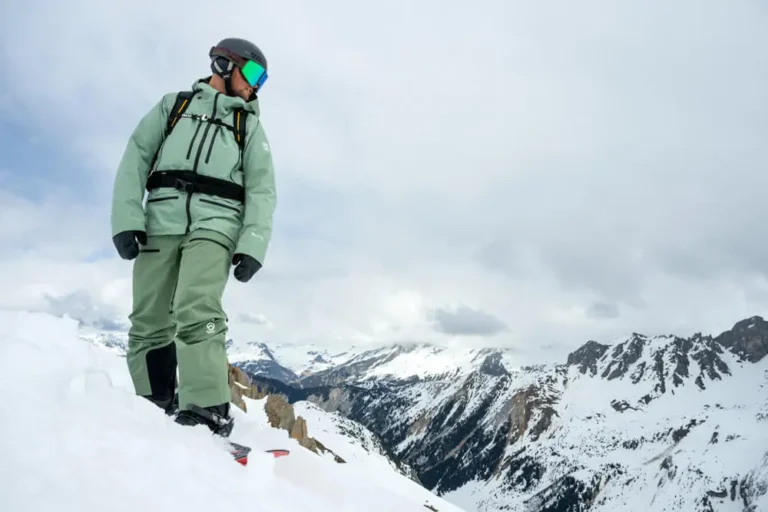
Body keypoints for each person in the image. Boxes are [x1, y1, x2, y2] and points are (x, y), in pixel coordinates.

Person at [110, 37, 276, 437]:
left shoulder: (249, 126)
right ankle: (153, 401)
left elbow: (262, 189)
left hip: (217, 225)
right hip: (160, 221)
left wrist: (252, 243)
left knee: (196, 308)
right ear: (224, 65)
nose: (256, 85)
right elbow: (136, 157)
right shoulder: (174, 107)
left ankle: (206, 410)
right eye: (254, 73)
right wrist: (126, 218)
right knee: (149, 317)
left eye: (263, 79)